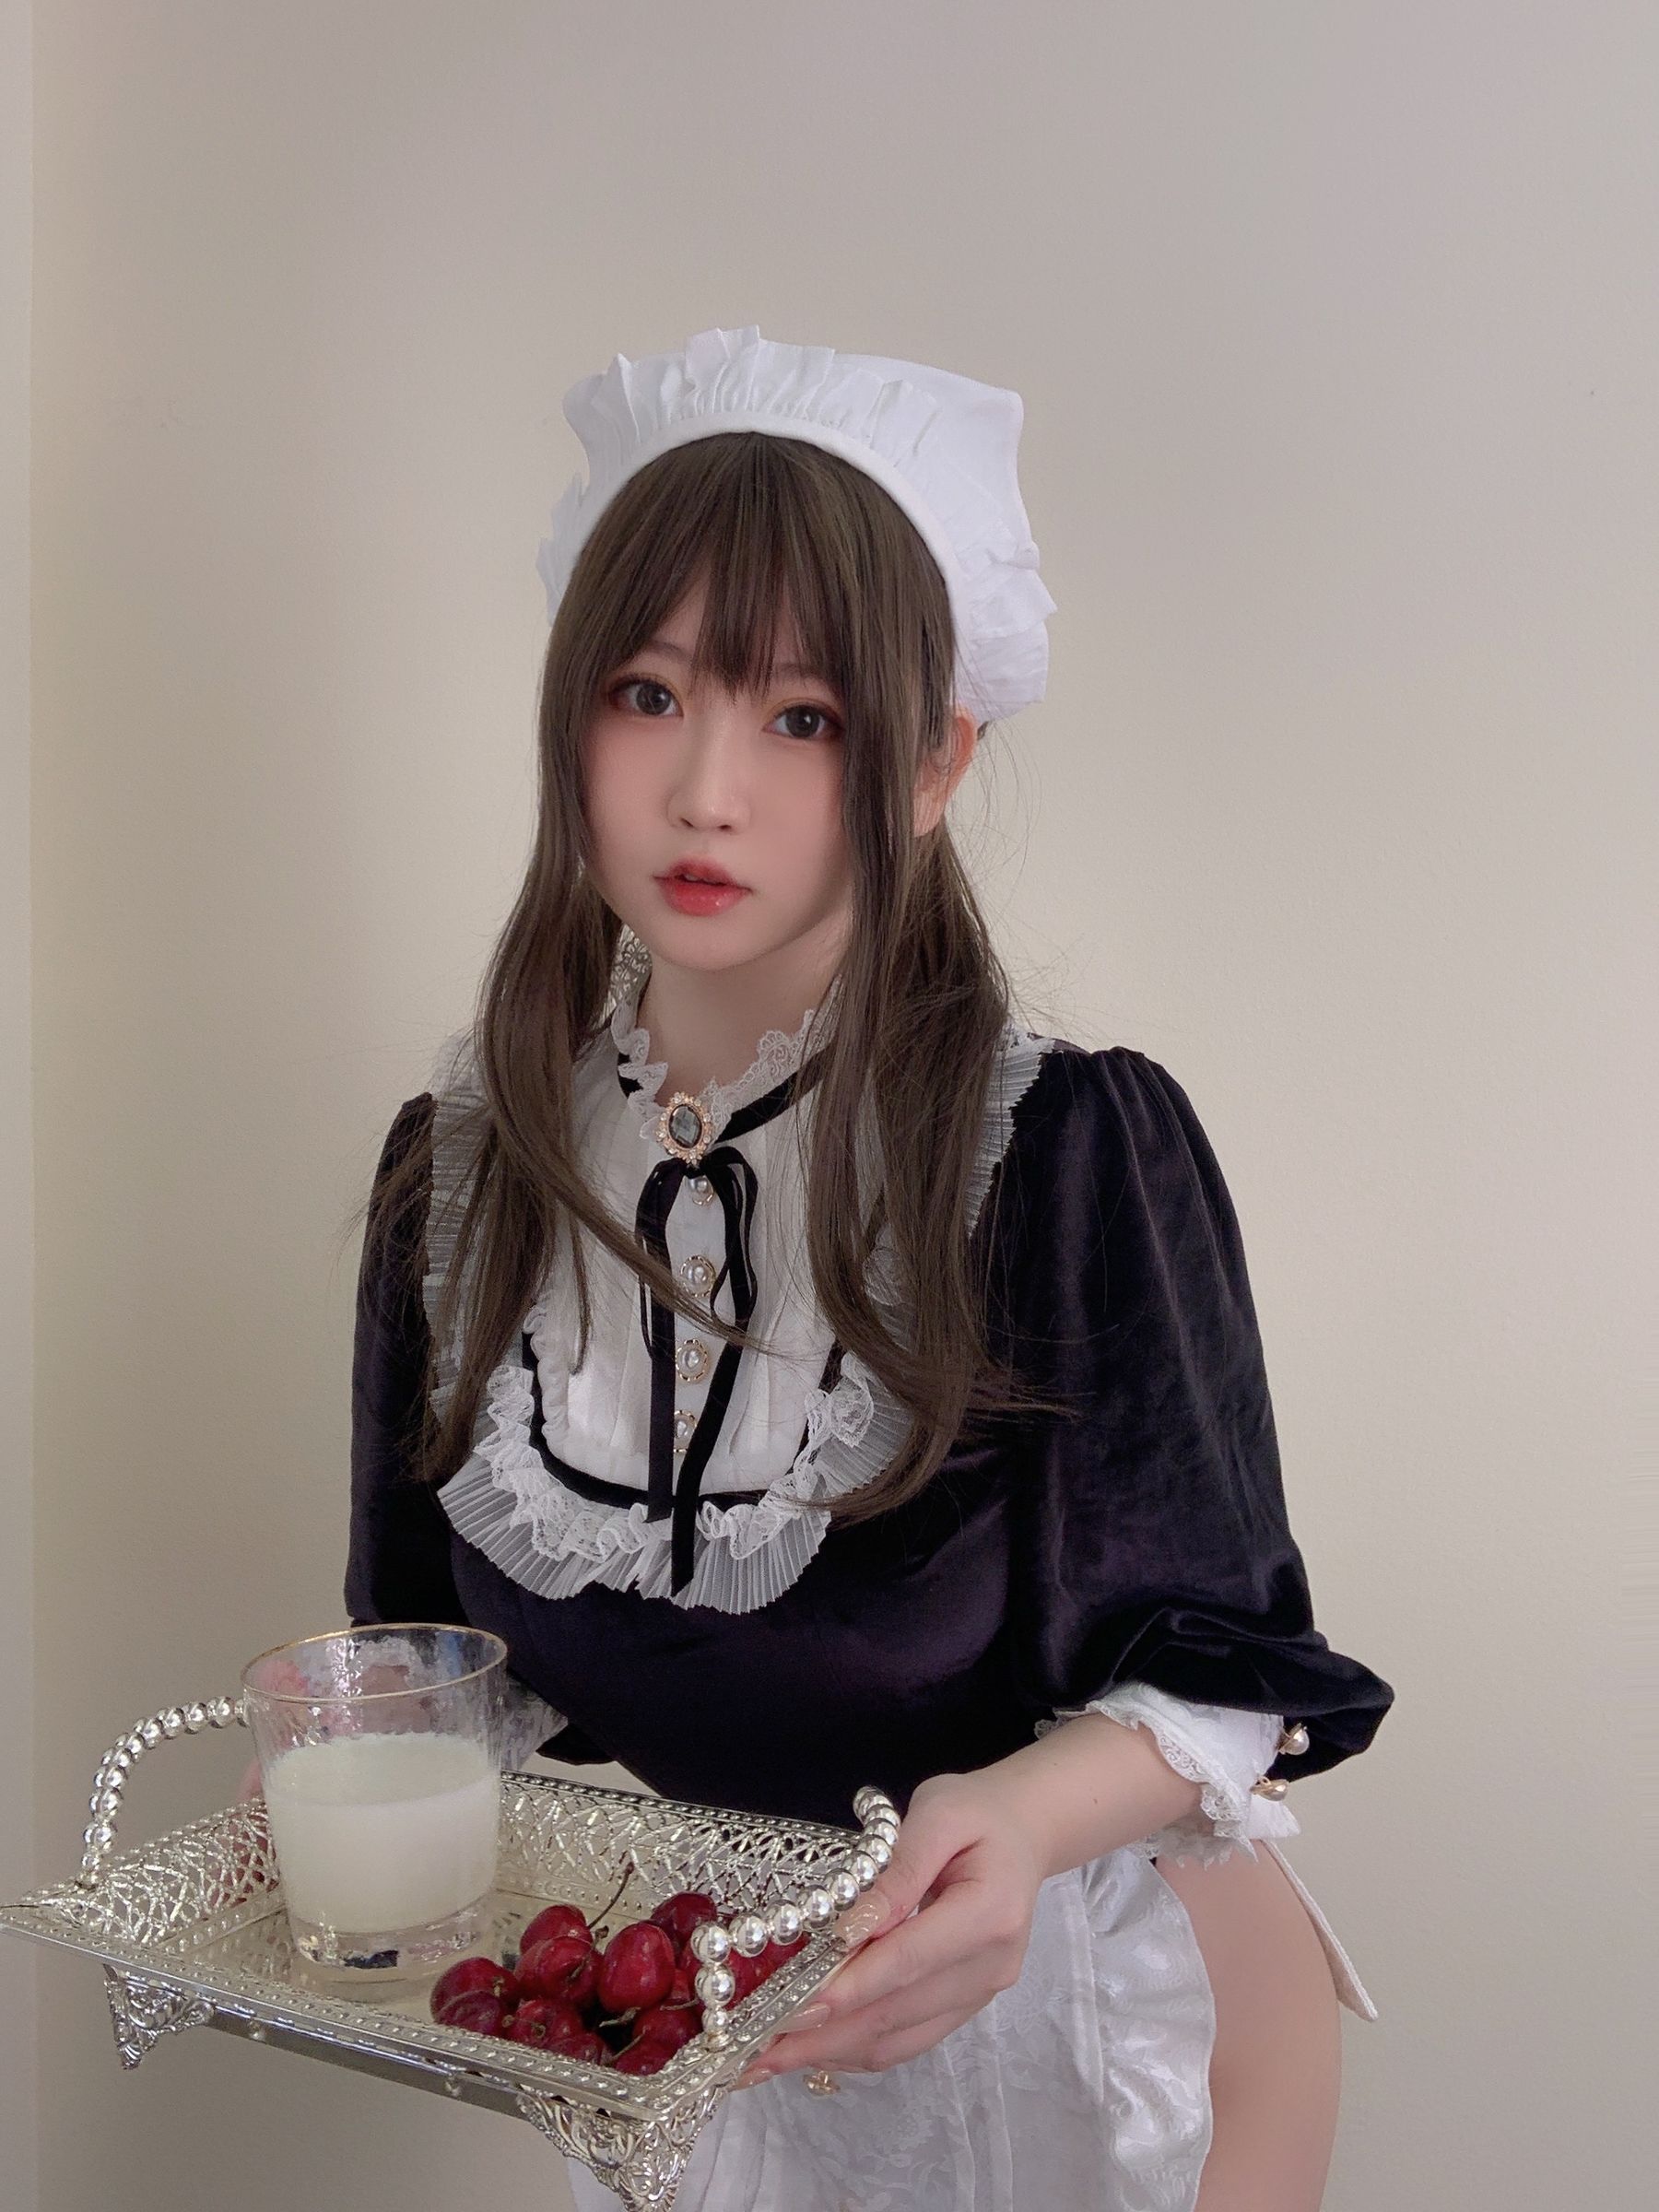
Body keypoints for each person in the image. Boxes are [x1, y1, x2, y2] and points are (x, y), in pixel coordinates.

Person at [345, 325, 1394, 2211]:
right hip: (714, 2050)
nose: (706, 792)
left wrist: (1017, 1815)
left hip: (1091, 2032)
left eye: (803, 718)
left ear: (931, 762)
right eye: (649, 693)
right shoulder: (465, 1176)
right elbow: (434, 1671)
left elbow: (1230, 1673)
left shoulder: (1061, 1151)